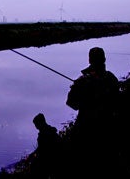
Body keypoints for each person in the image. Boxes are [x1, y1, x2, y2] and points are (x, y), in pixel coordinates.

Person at [65, 47, 120, 178]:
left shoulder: (83, 80)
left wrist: (78, 89)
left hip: (86, 130)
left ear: (89, 60)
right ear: (104, 59)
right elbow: (118, 103)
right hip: (109, 129)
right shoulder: (112, 79)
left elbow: (71, 103)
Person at [29, 113, 62, 178]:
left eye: (36, 124)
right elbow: (41, 148)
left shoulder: (44, 135)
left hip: (51, 160)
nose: (35, 127)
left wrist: (33, 155)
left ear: (40, 123)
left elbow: (43, 150)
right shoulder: (50, 131)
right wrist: (33, 154)